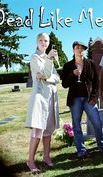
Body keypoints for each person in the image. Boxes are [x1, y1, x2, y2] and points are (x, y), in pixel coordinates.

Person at [61, 41, 103, 160]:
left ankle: (102, 147)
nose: (80, 50)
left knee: (97, 123)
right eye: (77, 48)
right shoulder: (68, 65)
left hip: (89, 99)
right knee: (77, 125)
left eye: (82, 48)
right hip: (75, 100)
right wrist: (72, 74)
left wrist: (94, 97)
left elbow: (96, 81)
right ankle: (81, 151)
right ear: (73, 50)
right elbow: (64, 84)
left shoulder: (90, 63)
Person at [25, 33, 60, 172]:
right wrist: (49, 61)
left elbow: (56, 77)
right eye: (41, 40)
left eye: (46, 41)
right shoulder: (35, 58)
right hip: (40, 97)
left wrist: (47, 78)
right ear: (37, 41)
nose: (44, 43)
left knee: (48, 129)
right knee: (37, 130)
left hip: (51, 96)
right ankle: (30, 161)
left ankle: (46, 157)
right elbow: (43, 73)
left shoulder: (47, 58)